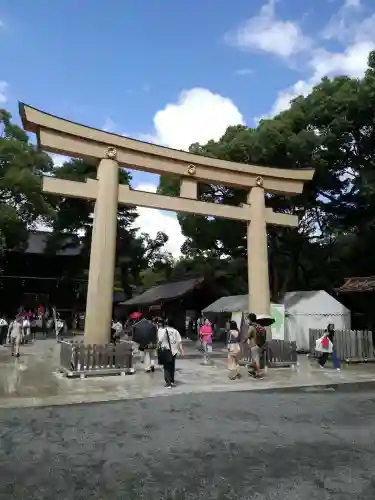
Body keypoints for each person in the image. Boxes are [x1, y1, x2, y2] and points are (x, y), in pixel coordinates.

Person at [157, 319, 184, 388]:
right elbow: (179, 342)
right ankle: (172, 381)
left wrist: (157, 347)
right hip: (174, 351)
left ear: (166, 324)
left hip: (166, 350)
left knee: (166, 367)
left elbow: (160, 340)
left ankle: (168, 382)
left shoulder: (163, 331)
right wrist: (182, 351)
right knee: (172, 366)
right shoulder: (176, 331)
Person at [247, 313, 266, 379]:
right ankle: (254, 371)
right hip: (259, 345)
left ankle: (259, 374)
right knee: (255, 359)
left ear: (250, 319)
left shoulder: (252, 327)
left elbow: (248, 335)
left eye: (248, 319)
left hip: (254, 345)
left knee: (256, 360)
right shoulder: (259, 326)